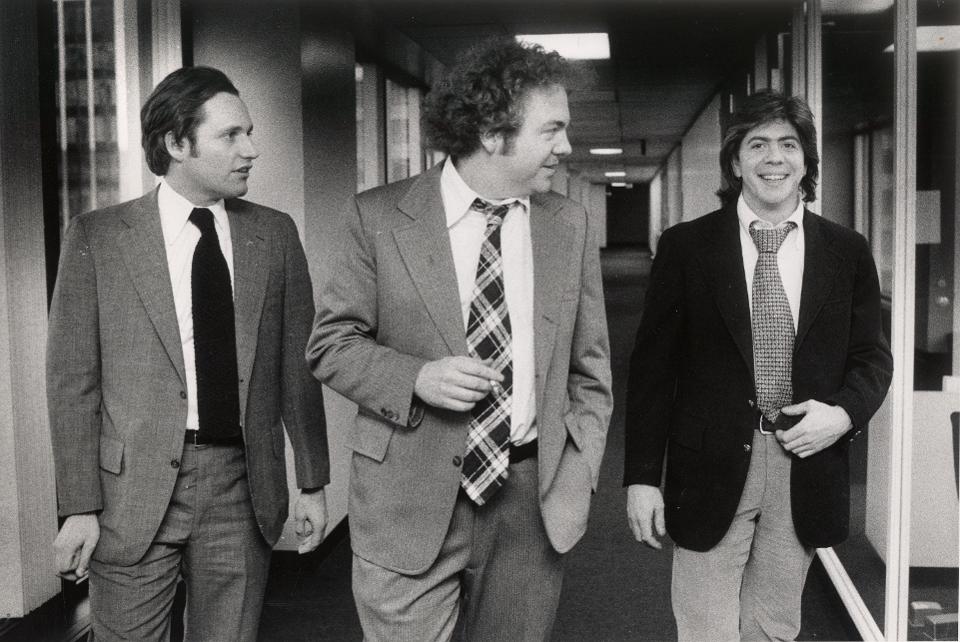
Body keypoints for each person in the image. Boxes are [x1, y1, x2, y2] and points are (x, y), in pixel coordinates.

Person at [307, 38, 612, 641]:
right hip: (406, 501)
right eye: (552, 130)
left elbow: (591, 370)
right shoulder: (379, 217)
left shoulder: (568, 224)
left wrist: (576, 474)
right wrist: (415, 377)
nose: (566, 147)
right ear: (494, 132)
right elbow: (331, 344)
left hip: (531, 500)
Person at [47, 65, 330, 642]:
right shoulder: (98, 237)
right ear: (177, 143)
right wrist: (78, 505)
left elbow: (295, 370)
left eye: (248, 132)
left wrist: (312, 480)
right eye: (231, 136)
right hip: (131, 493)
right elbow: (72, 382)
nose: (250, 150)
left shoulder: (274, 235)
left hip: (242, 485)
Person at [623, 90, 893, 641]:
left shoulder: (846, 252)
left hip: (805, 459)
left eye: (789, 145)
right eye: (758, 144)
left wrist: (842, 415)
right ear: (734, 161)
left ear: (806, 161)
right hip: (710, 462)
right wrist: (642, 478)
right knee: (705, 627)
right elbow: (652, 372)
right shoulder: (687, 248)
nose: (775, 158)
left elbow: (872, 358)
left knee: (774, 625)